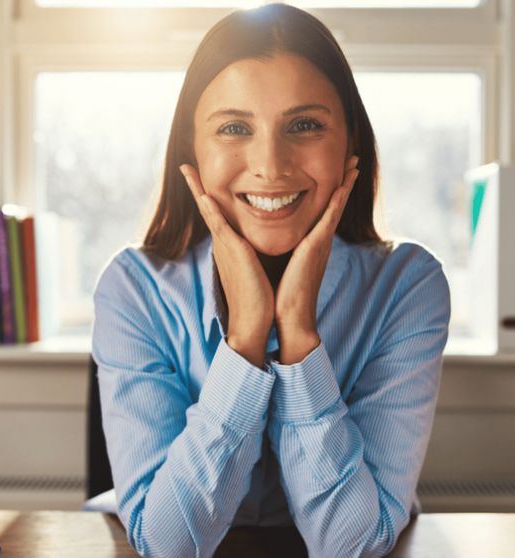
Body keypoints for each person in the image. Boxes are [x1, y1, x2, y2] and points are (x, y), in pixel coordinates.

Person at [91, 4, 450, 557]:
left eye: (304, 125)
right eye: (234, 128)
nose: (270, 165)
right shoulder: (134, 289)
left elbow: (351, 547)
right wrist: (245, 341)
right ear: (191, 148)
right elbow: (168, 547)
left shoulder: (407, 286)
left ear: (350, 140)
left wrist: (299, 337)